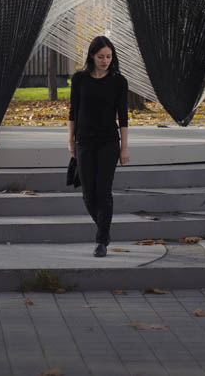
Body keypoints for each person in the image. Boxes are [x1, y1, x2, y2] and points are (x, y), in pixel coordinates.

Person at [67, 35, 130, 257]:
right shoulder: (79, 79)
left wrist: (124, 147)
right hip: (84, 141)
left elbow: (123, 117)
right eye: (101, 56)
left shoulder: (119, 82)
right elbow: (73, 112)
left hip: (108, 143)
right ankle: (105, 229)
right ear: (92, 56)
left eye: (109, 57)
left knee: (103, 191)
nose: (105, 61)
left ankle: (101, 240)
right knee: (88, 194)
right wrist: (70, 141)